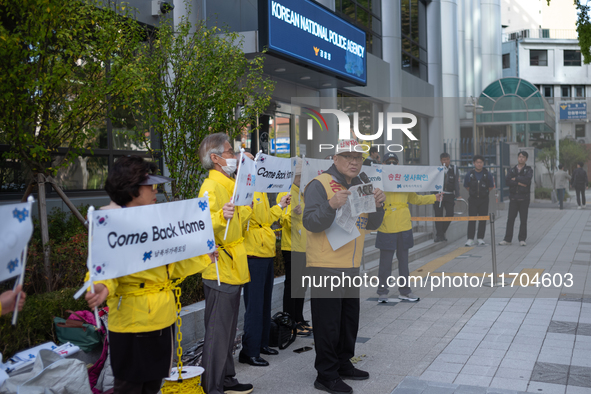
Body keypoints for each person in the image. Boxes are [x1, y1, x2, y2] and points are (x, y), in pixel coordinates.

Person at [85, 155, 213, 394]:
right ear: (131, 189)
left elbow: (170, 267)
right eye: (149, 185)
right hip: (133, 324)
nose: (156, 190)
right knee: (131, 388)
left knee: (154, 386)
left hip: (163, 319)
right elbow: (101, 270)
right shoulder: (112, 225)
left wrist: (205, 256)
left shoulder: (158, 221)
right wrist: (101, 287)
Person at [303, 139, 385, 394]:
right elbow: (311, 222)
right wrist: (331, 205)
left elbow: (371, 224)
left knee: (349, 319)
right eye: (348, 157)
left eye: (358, 158)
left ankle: (343, 362)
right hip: (325, 264)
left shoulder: (362, 184)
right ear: (335, 159)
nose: (354, 162)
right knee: (327, 323)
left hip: (351, 264)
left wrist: (380, 205)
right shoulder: (319, 184)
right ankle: (326, 375)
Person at [197, 133, 254, 394]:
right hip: (220, 266)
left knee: (228, 331)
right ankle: (212, 387)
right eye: (230, 152)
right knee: (218, 333)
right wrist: (221, 216)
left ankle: (227, 378)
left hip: (231, 264)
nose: (234, 156)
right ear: (216, 158)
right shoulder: (211, 187)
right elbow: (203, 225)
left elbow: (241, 219)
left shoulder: (229, 183)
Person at [376, 152, 442, 303]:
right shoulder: (379, 181)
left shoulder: (404, 180)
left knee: (404, 261)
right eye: (388, 162)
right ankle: (382, 292)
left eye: (394, 162)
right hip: (387, 226)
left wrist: (434, 198)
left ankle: (405, 291)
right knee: (385, 263)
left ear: (398, 164)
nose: (392, 165)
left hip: (404, 226)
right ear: (383, 165)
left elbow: (416, 199)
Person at [239, 190, 290, 367]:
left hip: (265, 251)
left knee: (264, 303)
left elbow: (266, 219)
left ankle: (261, 344)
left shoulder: (260, 189)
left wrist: (280, 205)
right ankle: (249, 351)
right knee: (254, 305)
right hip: (253, 254)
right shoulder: (243, 188)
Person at [277, 158, 312, 337]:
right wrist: (292, 214)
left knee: (302, 285)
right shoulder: (287, 193)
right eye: (300, 175)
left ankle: (298, 318)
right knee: (292, 285)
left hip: (305, 246)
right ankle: (289, 320)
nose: (302, 178)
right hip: (291, 246)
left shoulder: (304, 192)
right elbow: (283, 220)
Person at [499, 151, 533, 246]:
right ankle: (507, 239)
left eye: (523, 157)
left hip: (524, 198)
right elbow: (507, 181)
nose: (521, 158)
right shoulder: (512, 170)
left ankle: (522, 239)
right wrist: (519, 182)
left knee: (523, 220)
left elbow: (527, 181)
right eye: (519, 156)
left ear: (526, 159)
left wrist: (516, 179)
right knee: (510, 219)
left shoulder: (529, 170)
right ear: (517, 158)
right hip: (513, 198)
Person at [464, 155, 495, 246]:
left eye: (481, 162)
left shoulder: (487, 174)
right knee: (472, 219)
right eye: (477, 162)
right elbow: (466, 186)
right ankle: (470, 239)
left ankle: (480, 238)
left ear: (483, 163)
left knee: (482, 219)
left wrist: (483, 193)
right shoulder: (469, 174)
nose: (479, 164)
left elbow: (491, 186)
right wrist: (474, 193)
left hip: (484, 200)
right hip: (473, 200)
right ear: (474, 163)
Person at [433, 153, 460, 242]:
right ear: (441, 161)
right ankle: (439, 236)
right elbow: (432, 183)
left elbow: (456, 183)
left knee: (450, 214)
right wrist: (433, 196)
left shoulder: (454, 169)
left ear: (449, 160)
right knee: (438, 215)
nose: (446, 162)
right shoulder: (437, 169)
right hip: (438, 195)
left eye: (447, 160)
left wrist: (458, 194)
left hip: (449, 195)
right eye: (444, 160)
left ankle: (441, 232)